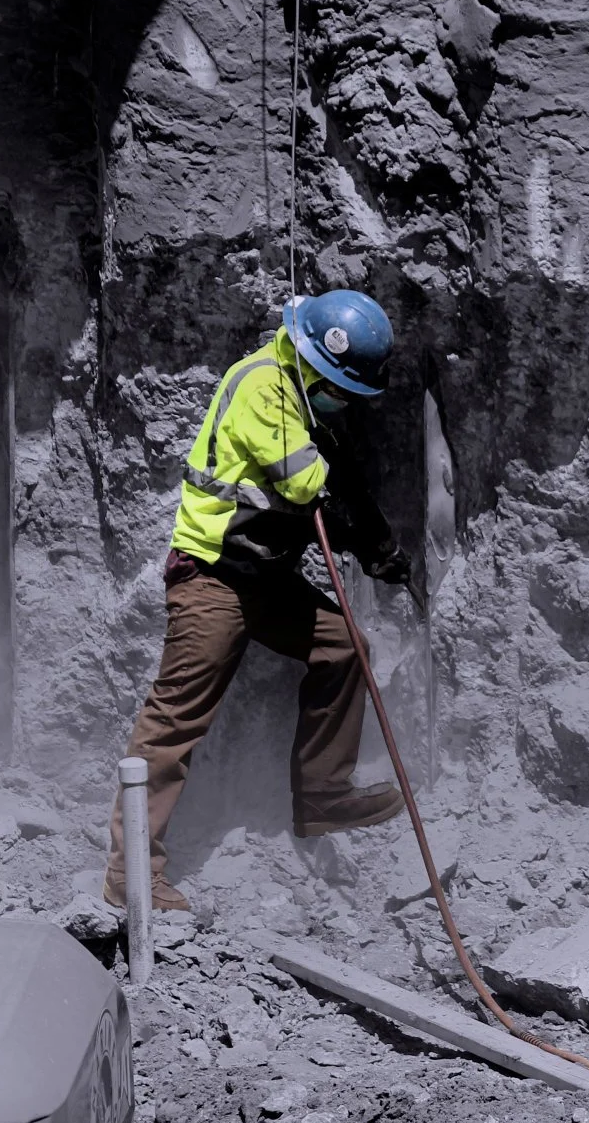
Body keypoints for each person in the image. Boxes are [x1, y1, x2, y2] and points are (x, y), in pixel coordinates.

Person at [106, 290, 416, 911]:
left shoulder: (308, 406)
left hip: (264, 579)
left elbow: (344, 483)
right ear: (308, 361)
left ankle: (322, 797)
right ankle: (129, 877)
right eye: (335, 387)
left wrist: (381, 548)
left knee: (344, 647)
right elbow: (305, 481)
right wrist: (333, 484)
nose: (342, 400)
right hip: (213, 575)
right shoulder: (261, 385)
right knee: (174, 721)